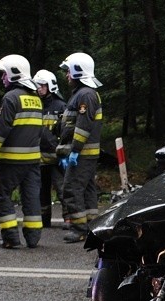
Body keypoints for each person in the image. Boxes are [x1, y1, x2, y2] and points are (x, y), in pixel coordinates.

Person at [0, 54, 43, 249]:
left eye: (4, 74)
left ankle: (10, 238)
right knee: (31, 198)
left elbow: (2, 129)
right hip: (33, 160)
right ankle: (33, 238)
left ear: (14, 74)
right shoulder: (36, 98)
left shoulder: (10, 98)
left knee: (2, 194)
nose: (2, 78)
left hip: (10, 160)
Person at [58, 52, 103, 243]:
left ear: (77, 72)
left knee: (71, 188)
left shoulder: (85, 94)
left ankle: (79, 229)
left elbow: (83, 127)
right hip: (85, 153)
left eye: (68, 71)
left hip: (82, 153)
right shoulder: (83, 93)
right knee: (87, 189)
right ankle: (91, 225)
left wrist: (75, 150)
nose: (67, 75)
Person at [33, 69, 66, 228]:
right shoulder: (34, 105)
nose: (39, 88)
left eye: (42, 85)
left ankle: (69, 219)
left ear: (50, 86)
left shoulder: (60, 106)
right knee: (41, 191)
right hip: (38, 158)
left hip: (56, 157)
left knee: (62, 189)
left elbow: (66, 131)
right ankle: (44, 220)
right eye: (37, 85)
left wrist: (65, 152)